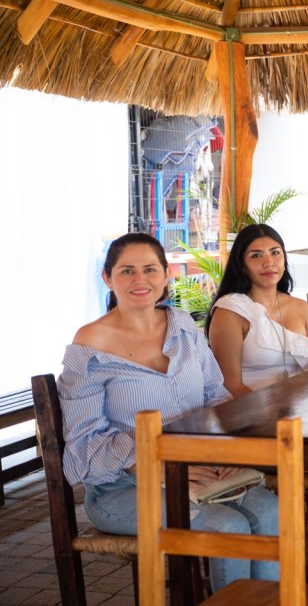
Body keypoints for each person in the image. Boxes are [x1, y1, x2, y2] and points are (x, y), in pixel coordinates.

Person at [57, 233, 280, 592]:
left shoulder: (183, 327)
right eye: (127, 271)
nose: (140, 280)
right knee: (228, 526)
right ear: (107, 278)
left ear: (165, 275)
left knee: (271, 510)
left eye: (149, 269)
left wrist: (226, 452)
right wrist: (159, 465)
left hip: (200, 468)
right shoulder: (91, 346)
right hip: (123, 487)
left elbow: (215, 396)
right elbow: (84, 444)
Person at [207, 223, 308, 397]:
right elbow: (229, 386)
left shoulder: (302, 307)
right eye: (256, 255)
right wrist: (275, 412)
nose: (269, 263)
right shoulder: (230, 311)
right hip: (251, 410)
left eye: (275, 253)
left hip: (304, 406)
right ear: (241, 264)